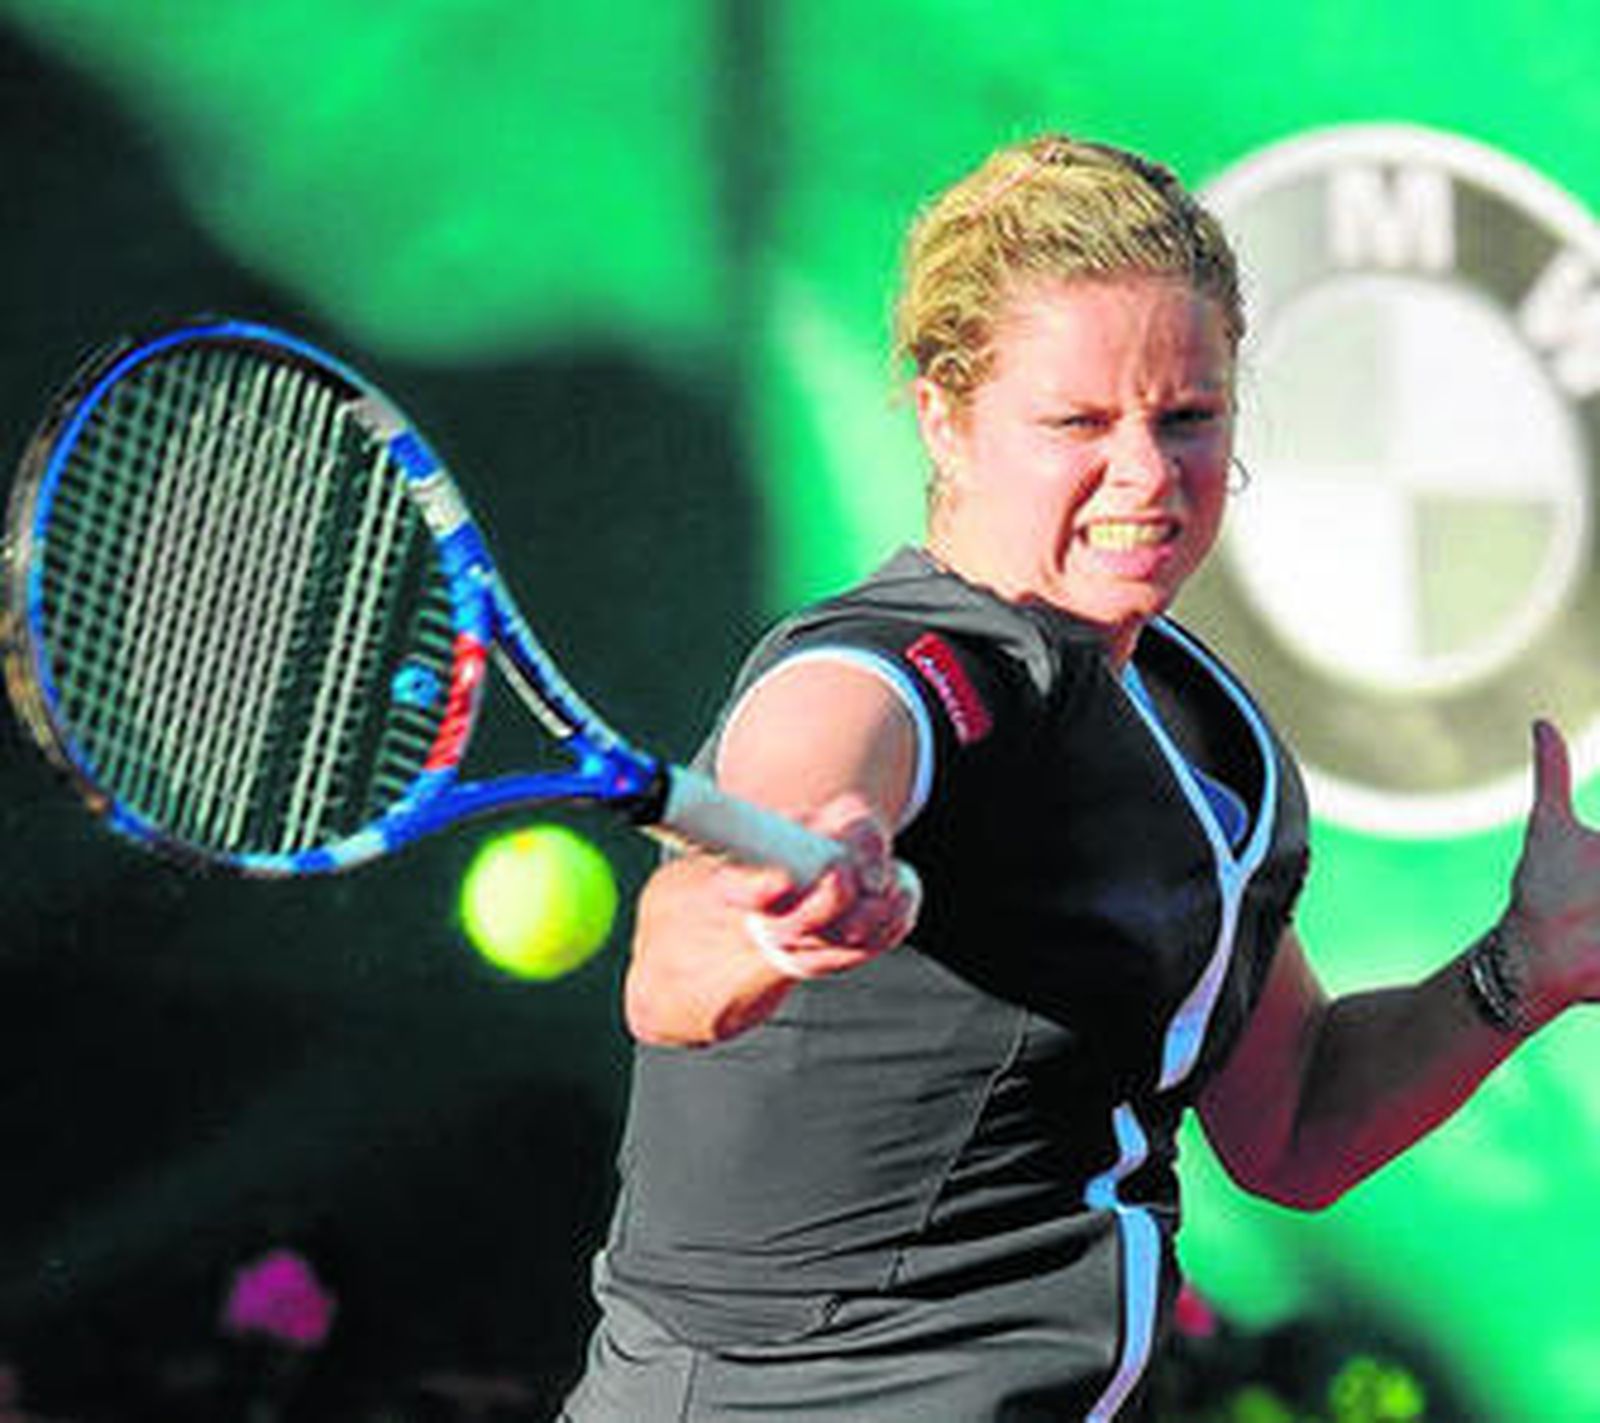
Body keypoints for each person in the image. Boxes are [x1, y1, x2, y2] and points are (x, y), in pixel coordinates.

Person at [558, 134, 1600, 1422]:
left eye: (1188, 416)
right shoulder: (893, 666)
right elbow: (682, 958)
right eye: (1077, 422)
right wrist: (765, 914)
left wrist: (1521, 970)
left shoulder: (1204, 728)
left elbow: (1296, 1125)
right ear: (944, 413)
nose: (1148, 475)